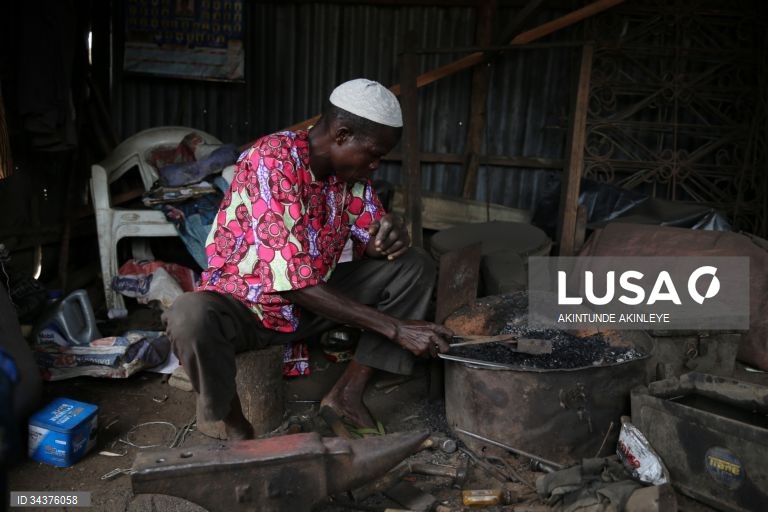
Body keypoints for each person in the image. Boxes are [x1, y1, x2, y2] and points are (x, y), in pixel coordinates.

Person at [163, 78, 454, 440]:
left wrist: (390, 235)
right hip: (247, 307)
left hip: (313, 304)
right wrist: (397, 329)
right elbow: (291, 282)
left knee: (414, 266)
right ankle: (237, 429)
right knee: (189, 316)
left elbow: (372, 241)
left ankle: (346, 394)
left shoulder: (350, 174)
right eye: (374, 154)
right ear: (342, 135)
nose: (377, 165)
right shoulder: (272, 161)